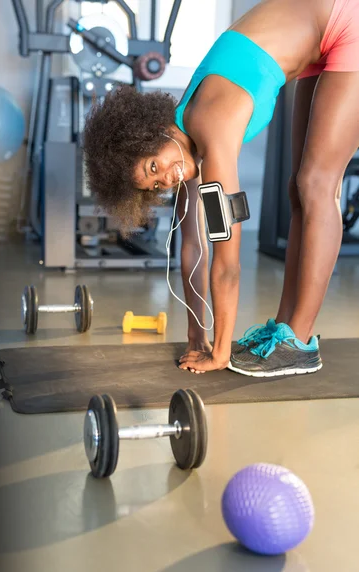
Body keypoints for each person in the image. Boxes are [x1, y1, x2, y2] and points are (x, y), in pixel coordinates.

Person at [83, 0, 359, 377]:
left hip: (346, 19)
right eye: (155, 184)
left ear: (155, 132)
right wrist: (198, 337)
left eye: (154, 167)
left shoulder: (210, 127)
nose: (167, 178)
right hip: (317, 37)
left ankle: (299, 344)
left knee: (315, 184)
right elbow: (193, 248)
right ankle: (283, 330)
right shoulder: (180, 143)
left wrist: (222, 352)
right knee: (297, 192)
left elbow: (227, 261)